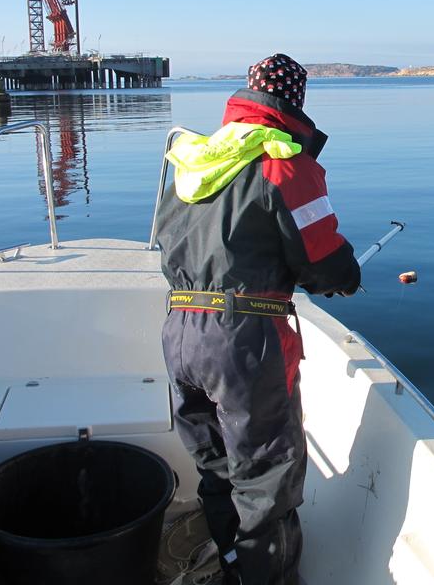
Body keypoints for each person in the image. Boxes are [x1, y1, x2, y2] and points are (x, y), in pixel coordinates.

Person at [156, 53, 361, 585]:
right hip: (244, 341)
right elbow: (320, 259)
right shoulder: (285, 162)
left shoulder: (190, 157)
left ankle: (228, 561)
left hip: (179, 331)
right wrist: (344, 275)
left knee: (215, 463)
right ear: (295, 101)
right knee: (265, 476)